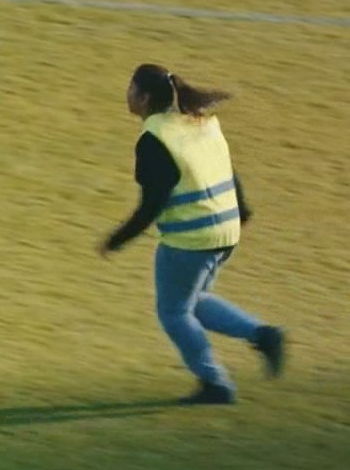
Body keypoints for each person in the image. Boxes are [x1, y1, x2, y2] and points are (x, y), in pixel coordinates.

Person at [99, 64, 286, 405]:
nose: (126, 94)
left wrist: (116, 240)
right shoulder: (201, 122)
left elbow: (152, 205)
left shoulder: (154, 140)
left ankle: (215, 383)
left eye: (131, 89)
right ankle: (263, 335)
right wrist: (242, 210)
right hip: (225, 230)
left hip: (190, 239)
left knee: (173, 314)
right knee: (193, 302)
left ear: (144, 98)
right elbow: (227, 169)